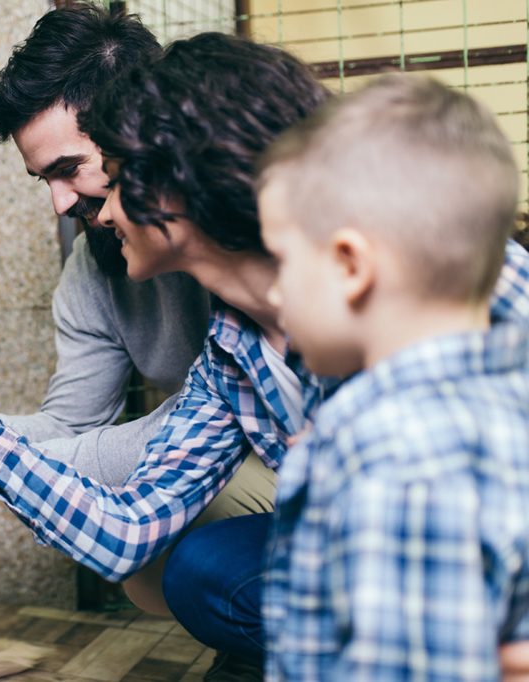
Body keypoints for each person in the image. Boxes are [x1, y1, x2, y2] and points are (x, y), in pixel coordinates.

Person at [0, 34, 529, 681]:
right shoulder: (234, 351)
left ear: (171, 174)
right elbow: (128, 527)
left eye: (105, 173)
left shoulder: (440, 299)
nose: (95, 208)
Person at [0, 4, 273, 617]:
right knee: (157, 570)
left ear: (149, 135)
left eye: (80, 170)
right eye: (44, 180)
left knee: (200, 557)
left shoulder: (281, 264)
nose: (62, 204)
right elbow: (86, 443)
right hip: (240, 458)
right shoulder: (134, 288)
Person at [257, 73, 529, 680]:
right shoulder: (511, 400)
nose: (274, 290)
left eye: (281, 259)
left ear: (351, 265)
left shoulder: (396, 458)